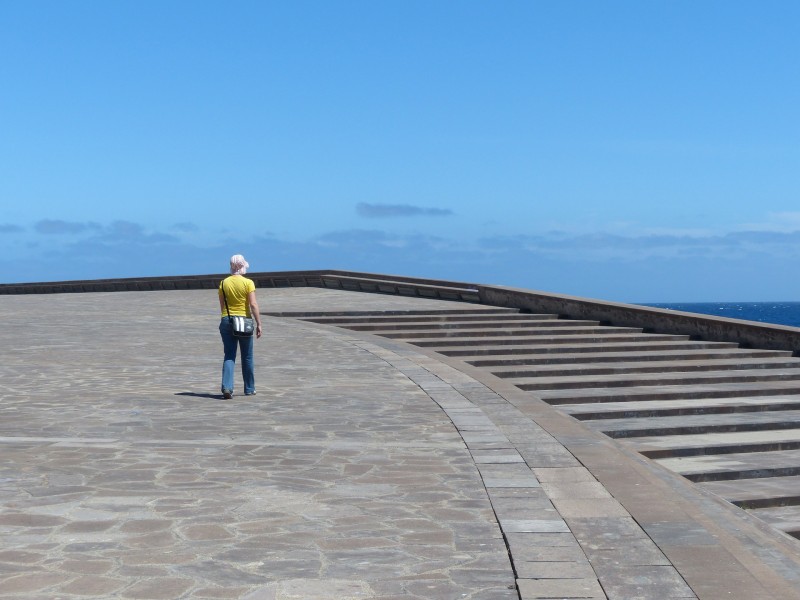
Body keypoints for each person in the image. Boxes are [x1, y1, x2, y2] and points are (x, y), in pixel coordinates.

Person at [218, 254, 262, 399]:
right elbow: (253, 304)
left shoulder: (223, 283)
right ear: (242, 266)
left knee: (229, 355)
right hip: (244, 321)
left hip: (227, 320)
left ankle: (227, 387)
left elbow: (222, 305)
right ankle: (249, 388)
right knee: (247, 357)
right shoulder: (248, 283)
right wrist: (259, 323)